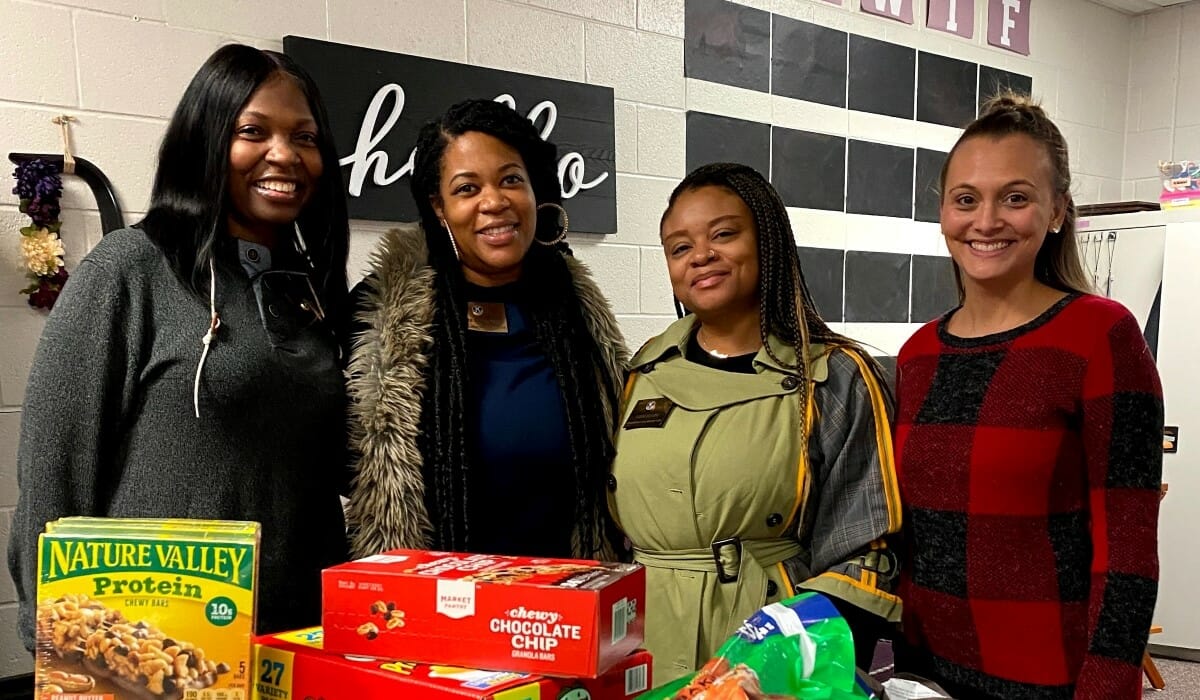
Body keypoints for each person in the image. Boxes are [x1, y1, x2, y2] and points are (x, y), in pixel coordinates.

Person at [8, 44, 352, 648]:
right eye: (253, 131)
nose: (284, 154)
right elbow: (54, 467)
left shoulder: (312, 291)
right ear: (206, 139)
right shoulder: (132, 268)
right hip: (153, 638)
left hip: (300, 635)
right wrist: (56, 634)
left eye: (306, 137)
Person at [894, 93, 1163, 699]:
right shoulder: (918, 355)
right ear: (943, 212)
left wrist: (1107, 686)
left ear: (1058, 210)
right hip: (924, 672)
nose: (985, 221)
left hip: (1050, 680)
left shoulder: (1099, 336)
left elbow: (1127, 554)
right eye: (966, 199)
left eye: (1015, 198)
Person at [607, 162, 902, 684]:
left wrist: (784, 661)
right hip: (645, 641)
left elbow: (865, 551)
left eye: (723, 234)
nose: (700, 255)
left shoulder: (832, 376)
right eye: (679, 247)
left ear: (767, 240)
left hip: (766, 641)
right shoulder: (645, 368)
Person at [342, 99, 627, 561]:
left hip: (568, 593)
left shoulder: (576, 308)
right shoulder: (378, 313)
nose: (494, 202)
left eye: (511, 179)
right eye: (467, 188)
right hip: (431, 600)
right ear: (438, 207)